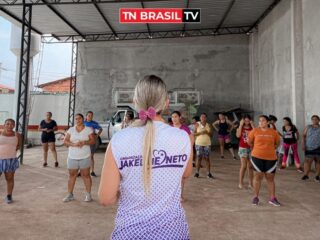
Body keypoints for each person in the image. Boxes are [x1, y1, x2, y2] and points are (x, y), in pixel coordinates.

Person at [98, 75, 193, 239]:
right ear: (166, 103)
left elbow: (106, 198)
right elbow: (185, 174)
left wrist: (129, 192)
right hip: (173, 233)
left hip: (129, 233)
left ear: (135, 102)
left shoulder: (119, 140)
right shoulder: (183, 137)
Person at [248, 115, 281, 206]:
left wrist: (269, 149)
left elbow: (277, 143)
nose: (260, 122)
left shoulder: (274, 132)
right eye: (259, 121)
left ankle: (272, 198)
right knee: (258, 177)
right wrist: (257, 149)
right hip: (257, 156)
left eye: (263, 120)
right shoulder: (254, 131)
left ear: (267, 122)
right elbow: (250, 142)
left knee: (270, 178)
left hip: (271, 157)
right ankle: (255, 197)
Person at [63, 113, 95, 202]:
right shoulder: (71, 130)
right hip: (72, 156)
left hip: (85, 156)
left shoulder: (88, 129)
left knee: (86, 175)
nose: (78, 120)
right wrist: (73, 144)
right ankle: (70, 194)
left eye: (79, 119)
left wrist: (84, 142)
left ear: (83, 119)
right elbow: (65, 141)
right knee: (72, 175)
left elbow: (93, 141)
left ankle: (88, 195)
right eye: (76, 119)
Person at [171, 111, 194, 202]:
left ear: (179, 117)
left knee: (181, 176)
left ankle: (180, 195)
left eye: (176, 116)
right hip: (171, 156)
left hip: (181, 156)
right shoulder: (169, 128)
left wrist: (187, 151)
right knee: (172, 176)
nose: (174, 119)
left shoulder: (185, 128)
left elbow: (191, 140)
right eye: (172, 117)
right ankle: (172, 196)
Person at [0, 119, 21, 204]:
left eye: (12, 124)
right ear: (4, 125)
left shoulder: (17, 135)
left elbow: (18, 146)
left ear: (14, 126)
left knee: (9, 178)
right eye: (7, 124)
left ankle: (9, 196)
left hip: (11, 160)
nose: (9, 126)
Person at [236, 115, 254, 189]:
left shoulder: (252, 128)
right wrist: (240, 125)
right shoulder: (240, 127)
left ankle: (250, 183)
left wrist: (253, 125)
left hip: (251, 148)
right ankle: (240, 183)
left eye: (248, 120)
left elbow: (257, 135)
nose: (246, 122)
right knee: (243, 166)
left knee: (250, 166)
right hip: (243, 148)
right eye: (245, 120)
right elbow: (238, 135)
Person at [194, 113, 214, 178]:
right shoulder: (197, 124)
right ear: (200, 118)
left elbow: (211, 135)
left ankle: (208, 173)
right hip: (199, 143)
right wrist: (200, 133)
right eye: (202, 117)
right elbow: (194, 133)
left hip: (207, 144)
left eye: (204, 117)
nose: (203, 118)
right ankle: (197, 173)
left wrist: (207, 132)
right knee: (199, 158)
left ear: (206, 118)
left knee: (207, 158)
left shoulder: (209, 125)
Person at [301, 115, 320, 181]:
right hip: (309, 147)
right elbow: (303, 136)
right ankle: (306, 175)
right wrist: (303, 144)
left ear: (318, 120)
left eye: (316, 119)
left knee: (318, 162)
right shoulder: (308, 127)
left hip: (318, 147)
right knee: (307, 162)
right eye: (313, 119)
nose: (314, 120)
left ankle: (317, 176)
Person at [84, 111, 103, 177]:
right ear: (86, 116)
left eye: (91, 115)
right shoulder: (83, 123)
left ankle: (92, 171)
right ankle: (81, 171)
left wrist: (97, 136)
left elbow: (100, 129)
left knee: (91, 156)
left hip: (92, 141)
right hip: (84, 142)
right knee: (83, 157)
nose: (90, 117)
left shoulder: (94, 123)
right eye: (89, 115)